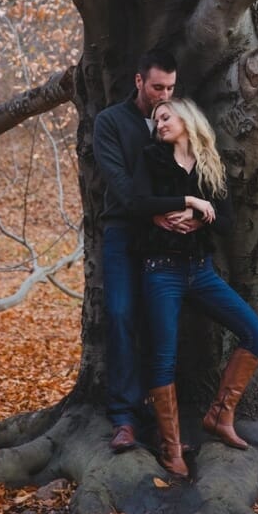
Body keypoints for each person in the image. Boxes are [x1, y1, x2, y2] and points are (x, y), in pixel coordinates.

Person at [130, 98, 258, 478]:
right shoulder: (151, 159)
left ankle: (220, 415)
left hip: (200, 271)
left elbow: (225, 222)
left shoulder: (210, 165)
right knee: (164, 356)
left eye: (166, 116)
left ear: (187, 119)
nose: (159, 124)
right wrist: (186, 200)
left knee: (255, 331)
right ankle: (171, 447)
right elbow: (137, 202)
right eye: (156, 119)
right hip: (161, 270)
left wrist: (199, 215)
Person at [92, 49, 181, 453]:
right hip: (123, 232)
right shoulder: (110, 122)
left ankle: (168, 424)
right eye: (158, 86)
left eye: (171, 88)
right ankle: (124, 419)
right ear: (139, 81)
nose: (164, 95)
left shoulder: (177, 119)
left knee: (163, 322)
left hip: (171, 237)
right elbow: (120, 183)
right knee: (121, 314)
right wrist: (157, 213)